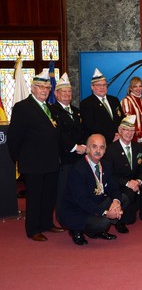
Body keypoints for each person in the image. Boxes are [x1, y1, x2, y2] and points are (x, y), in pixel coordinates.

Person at [7, 69, 64, 241]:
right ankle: (33, 229)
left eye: (47, 87)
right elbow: (14, 137)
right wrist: (20, 160)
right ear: (33, 88)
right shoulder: (22, 107)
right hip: (33, 163)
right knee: (34, 198)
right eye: (40, 87)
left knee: (49, 196)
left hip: (52, 162)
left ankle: (47, 223)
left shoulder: (51, 108)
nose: (44, 90)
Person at [59, 134, 128, 245]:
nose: (98, 151)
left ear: (105, 150)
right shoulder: (78, 169)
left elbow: (113, 188)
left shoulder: (106, 165)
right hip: (76, 210)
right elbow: (82, 201)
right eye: (94, 147)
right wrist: (105, 213)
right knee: (104, 221)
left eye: (101, 147)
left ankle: (97, 231)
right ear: (87, 149)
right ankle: (77, 230)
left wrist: (116, 202)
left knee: (123, 198)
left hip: (94, 202)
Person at [50, 73, 86, 225]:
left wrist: (84, 145)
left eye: (69, 92)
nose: (66, 94)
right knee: (63, 190)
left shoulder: (77, 111)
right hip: (64, 158)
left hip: (79, 158)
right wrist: (74, 147)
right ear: (56, 94)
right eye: (63, 91)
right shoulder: (52, 110)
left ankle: (76, 215)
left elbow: (83, 130)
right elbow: (58, 134)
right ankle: (62, 219)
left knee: (77, 188)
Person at [104, 115, 142, 232]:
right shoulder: (110, 150)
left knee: (131, 219)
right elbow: (109, 175)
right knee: (128, 219)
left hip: (135, 184)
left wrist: (138, 181)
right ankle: (117, 220)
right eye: (126, 129)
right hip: (118, 185)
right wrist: (127, 183)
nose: (129, 133)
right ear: (119, 131)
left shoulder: (138, 147)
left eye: (132, 130)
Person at [80, 68, 124, 144]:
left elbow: (122, 119)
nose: (102, 87)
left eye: (104, 85)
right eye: (98, 85)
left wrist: (121, 133)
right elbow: (90, 126)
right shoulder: (86, 103)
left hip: (119, 141)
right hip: (101, 143)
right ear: (92, 87)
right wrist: (111, 136)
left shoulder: (114, 100)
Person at [121, 76, 142, 143]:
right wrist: (140, 135)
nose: (138, 89)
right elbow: (128, 121)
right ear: (131, 88)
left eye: (140, 86)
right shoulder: (126, 101)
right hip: (132, 138)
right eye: (135, 86)